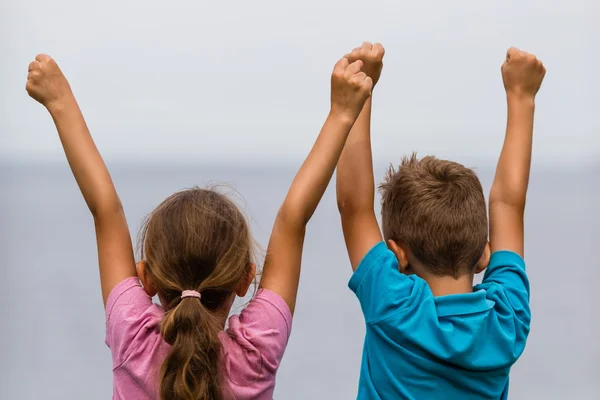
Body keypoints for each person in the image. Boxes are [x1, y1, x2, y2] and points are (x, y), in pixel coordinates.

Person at [26, 50, 373, 400]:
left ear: (145, 277)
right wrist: (343, 113)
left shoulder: (133, 341)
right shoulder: (256, 353)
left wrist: (60, 101)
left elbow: (106, 209)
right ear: (244, 279)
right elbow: (292, 220)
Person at [336, 43, 545, 399]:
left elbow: (355, 206)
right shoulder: (505, 323)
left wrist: (357, 96)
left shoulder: (394, 310)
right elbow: (508, 204)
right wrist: (522, 95)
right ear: (484, 254)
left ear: (397, 256)